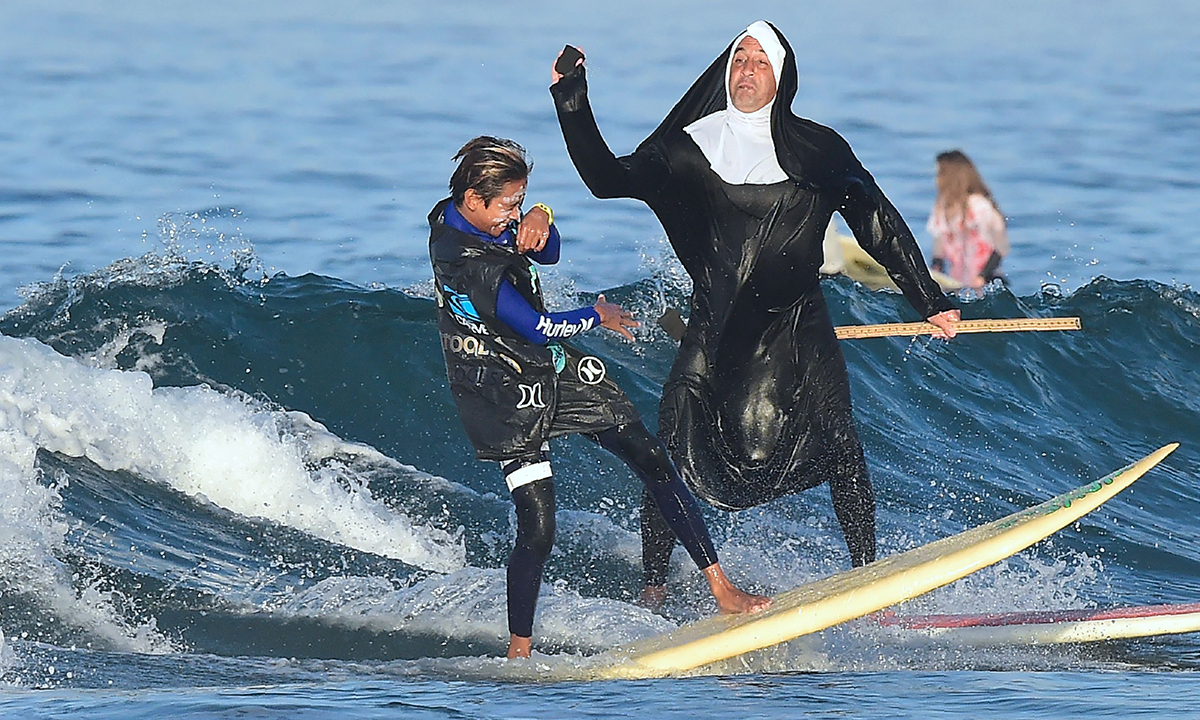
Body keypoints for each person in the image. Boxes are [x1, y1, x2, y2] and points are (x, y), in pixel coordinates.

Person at [549, 22, 961, 601]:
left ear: (782, 76)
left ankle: (867, 575)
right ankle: (654, 584)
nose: (746, 67)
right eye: (739, 57)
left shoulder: (820, 149)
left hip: (798, 322)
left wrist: (929, 299)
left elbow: (877, 222)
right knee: (673, 440)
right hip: (718, 321)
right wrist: (571, 99)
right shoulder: (691, 145)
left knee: (842, 442)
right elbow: (606, 178)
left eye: (760, 61)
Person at [428, 136, 770, 659]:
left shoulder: (456, 212)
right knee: (538, 527)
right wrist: (599, 315)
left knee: (652, 456)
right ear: (474, 199)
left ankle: (720, 587)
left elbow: (551, 248)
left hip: (555, 373)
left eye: (520, 201)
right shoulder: (468, 261)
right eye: (508, 206)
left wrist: (540, 214)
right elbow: (540, 326)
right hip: (501, 393)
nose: (512, 215)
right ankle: (519, 651)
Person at [927, 149, 1009, 290]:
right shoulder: (941, 208)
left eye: (939, 174)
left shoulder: (980, 205)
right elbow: (938, 249)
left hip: (989, 281)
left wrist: (981, 277)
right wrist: (934, 274)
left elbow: (1001, 247)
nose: (936, 179)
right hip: (958, 283)